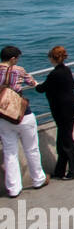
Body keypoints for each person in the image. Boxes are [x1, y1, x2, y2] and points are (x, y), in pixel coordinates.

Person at [0, 46, 48, 197]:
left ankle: (14, 188)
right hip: (22, 115)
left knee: (9, 152)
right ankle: (38, 179)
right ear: (13, 58)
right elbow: (32, 83)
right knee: (31, 148)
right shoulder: (18, 70)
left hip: (3, 116)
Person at [33, 45, 74, 180]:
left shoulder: (54, 74)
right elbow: (73, 85)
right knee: (62, 141)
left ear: (52, 58)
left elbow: (41, 89)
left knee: (66, 142)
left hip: (62, 112)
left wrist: (34, 83)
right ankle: (60, 170)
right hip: (71, 108)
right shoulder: (66, 70)